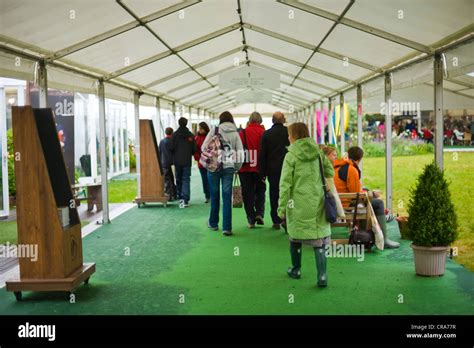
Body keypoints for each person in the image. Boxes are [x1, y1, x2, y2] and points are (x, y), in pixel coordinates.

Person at [278, 123, 333, 288]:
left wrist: (281, 208)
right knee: (319, 240)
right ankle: (322, 276)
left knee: (295, 237)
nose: (288, 137)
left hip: (297, 204)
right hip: (318, 201)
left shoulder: (291, 155)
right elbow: (330, 172)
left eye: (289, 134)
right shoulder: (318, 152)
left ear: (293, 135)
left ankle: (296, 269)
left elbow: (285, 184)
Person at [333, 146, 400, 249]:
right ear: (359, 159)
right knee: (378, 203)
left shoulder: (337, 167)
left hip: (337, 203)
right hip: (347, 206)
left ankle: (363, 234)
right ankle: (383, 239)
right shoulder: (351, 169)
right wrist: (372, 194)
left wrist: (367, 191)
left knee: (367, 193)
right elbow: (357, 195)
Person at [202, 111, 243, 236]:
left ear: (220, 120)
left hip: (214, 167)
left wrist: (212, 154)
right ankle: (227, 228)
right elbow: (240, 153)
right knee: (227, 197)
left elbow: (203, 147)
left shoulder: (214, 130)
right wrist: (236, 167)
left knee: (214, 195)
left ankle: (213, 223)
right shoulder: (235, 133)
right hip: (228, 167)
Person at [259, 111, 290, 230]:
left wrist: (262, 172)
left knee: (274, 194)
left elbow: (263, 154)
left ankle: (276, 219)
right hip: (288, 168)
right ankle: (287, 218)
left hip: (272, 170)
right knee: (288, 193)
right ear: (283, 120)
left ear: (272, 120)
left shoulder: (266, 134)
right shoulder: (288, 132)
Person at [238, 112, 266, 228]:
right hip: (259, 167)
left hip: (245, 167)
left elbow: (238, 150)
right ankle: (259, 213)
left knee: (247, 193)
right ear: (260, 121)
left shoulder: (242, 133)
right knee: (260, 190)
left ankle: (250, 218)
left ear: (249, 120)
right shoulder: (263, 133)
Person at [170, 117, 196, 207]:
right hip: (187, 161)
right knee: (186, 179)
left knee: (178, 179)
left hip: (177, 161)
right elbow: (194, 149)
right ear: (186, 123)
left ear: (178, 123)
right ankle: (185, 199)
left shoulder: (174, 135)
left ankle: (180, 197)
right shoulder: (190, 135)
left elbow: (171, 148)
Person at [194, 122, 210, 203]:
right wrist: (198, 158)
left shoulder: (210, 137)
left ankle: (211, 195)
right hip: (201, 163)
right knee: (204, 180)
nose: (199, 130)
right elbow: (195, 150)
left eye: (201, 128)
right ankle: (207, 196)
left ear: (205, 128)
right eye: (199, 128)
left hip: (210, 162)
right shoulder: (196, 138)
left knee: (210, 179)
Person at [158, 127, 177, 201]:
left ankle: (169, 195)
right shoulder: (173, 141)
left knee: (167, 179)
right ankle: (174, 194)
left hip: (164, 163)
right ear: (172, 133)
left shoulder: (162, 141)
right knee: (171, 179)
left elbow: (159, 151)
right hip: (172, 163)